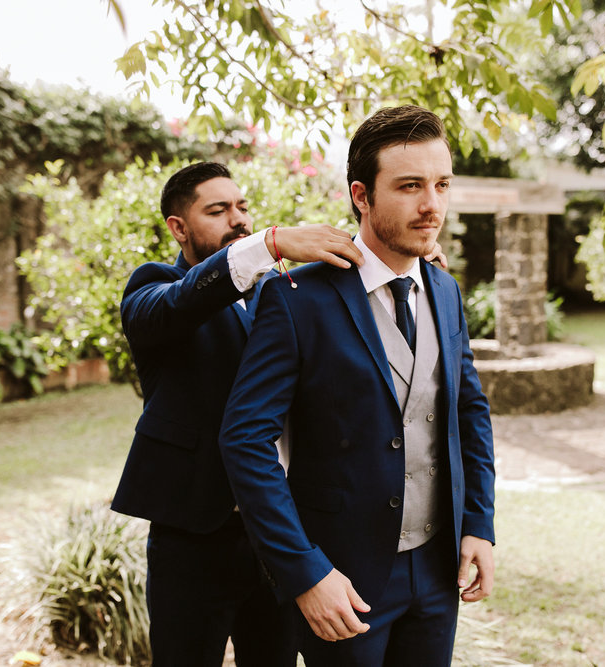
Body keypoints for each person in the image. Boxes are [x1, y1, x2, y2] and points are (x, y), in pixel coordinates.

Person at [218, 105, 496, 666]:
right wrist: (304, 572)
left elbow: (469, 411)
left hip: (438, 573)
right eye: (411, 186)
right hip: (343, 582)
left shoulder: (445, 290)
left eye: (442, 184)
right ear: (361, 196)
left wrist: (479, 524)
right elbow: (244, 441)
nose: (432, 206)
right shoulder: (298, 299)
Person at [110, 160, 365, 666]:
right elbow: (182, 302)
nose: (239, 219)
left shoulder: (279, 296)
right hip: (193, 534)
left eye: (243, 207)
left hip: (278, 532)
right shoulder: (155, 287)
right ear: (178, 228)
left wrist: (408, 264)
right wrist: (270, 243)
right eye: (219, 209)